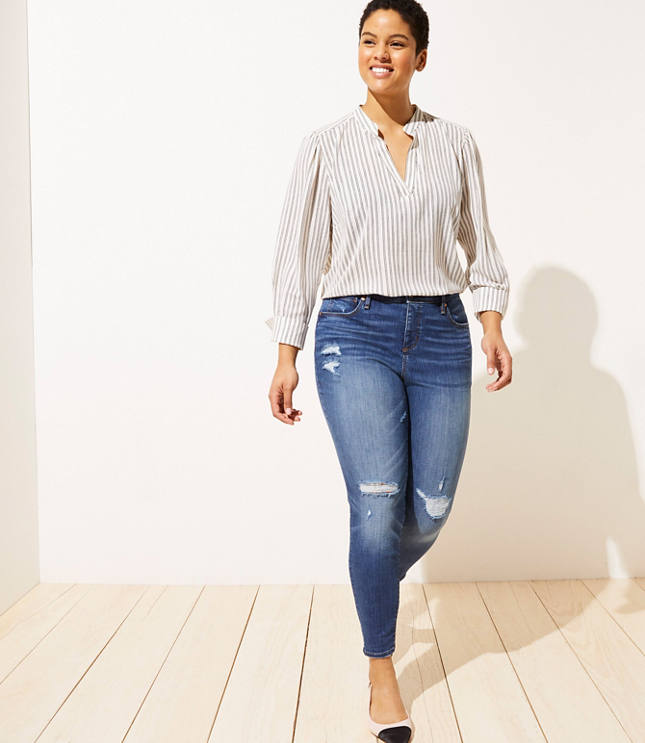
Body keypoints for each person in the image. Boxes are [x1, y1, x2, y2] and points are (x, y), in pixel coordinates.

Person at [265, 1, 513, 739]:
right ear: (358, 52)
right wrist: (285, 353)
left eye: (397, 42)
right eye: (369, 41)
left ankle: (372, 572)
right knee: (376, 506)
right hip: (354, 332)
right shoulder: (325, 146)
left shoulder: (455, 143)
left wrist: (491, 323)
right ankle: (381, 666)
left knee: (431, 505)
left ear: (420, 57)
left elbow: (480, 244)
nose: (381, 53)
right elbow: (297, 255)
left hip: (441, 331)